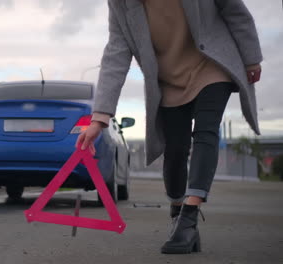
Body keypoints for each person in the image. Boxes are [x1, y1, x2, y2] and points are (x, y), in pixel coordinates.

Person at [75, 0, 262, 254]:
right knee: (175, 150)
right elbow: (116, 52)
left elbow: (233, 9)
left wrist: (251, 57)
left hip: (211, 64)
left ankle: (189, 216)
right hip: (168, 80)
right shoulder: (120, 3)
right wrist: (99, 119)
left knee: (206, 131)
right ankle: (178, 208)